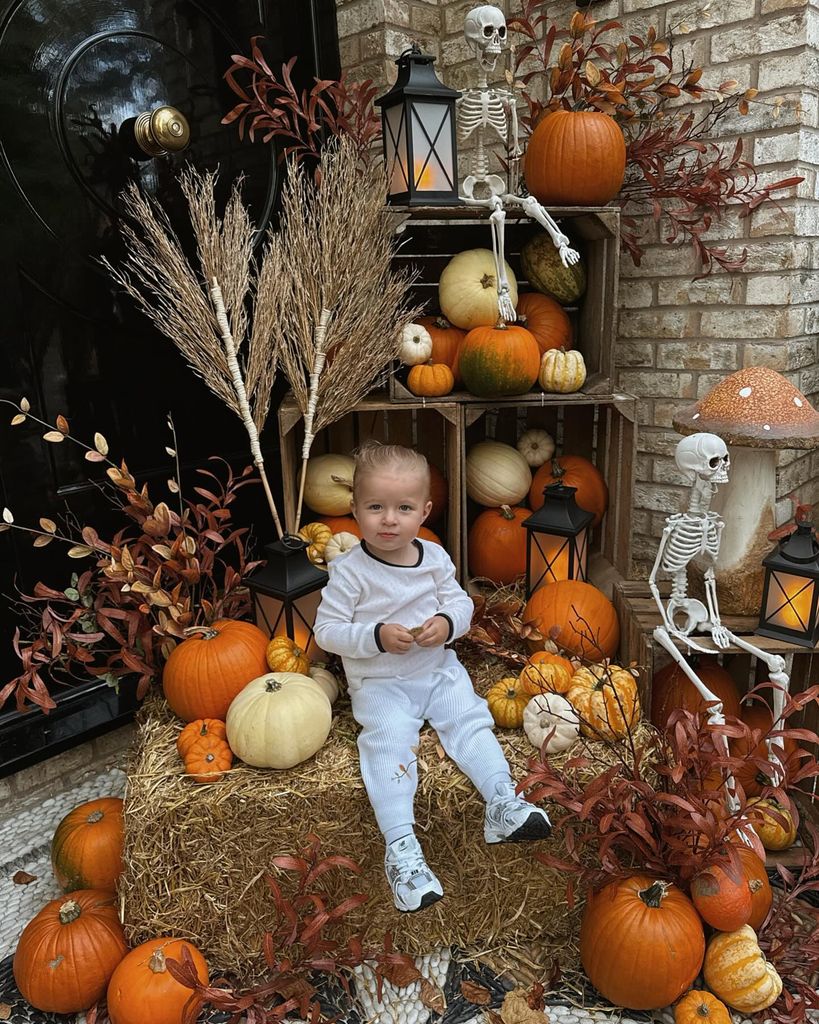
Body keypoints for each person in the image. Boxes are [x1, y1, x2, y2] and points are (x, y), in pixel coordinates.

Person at [314, 442, 551, 913]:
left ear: (424, 511)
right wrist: (376, 635)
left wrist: (447, 623)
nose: (388, 520)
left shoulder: (435, 559)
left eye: (403, 508)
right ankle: (402, 850)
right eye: (375, 507)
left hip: (436, 668)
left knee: (470, 718)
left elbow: (461, 604)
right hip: (381, 682)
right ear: (354, 509)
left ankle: (502, 802)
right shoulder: (348, 572)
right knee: (387, 740)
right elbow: (327, 631)